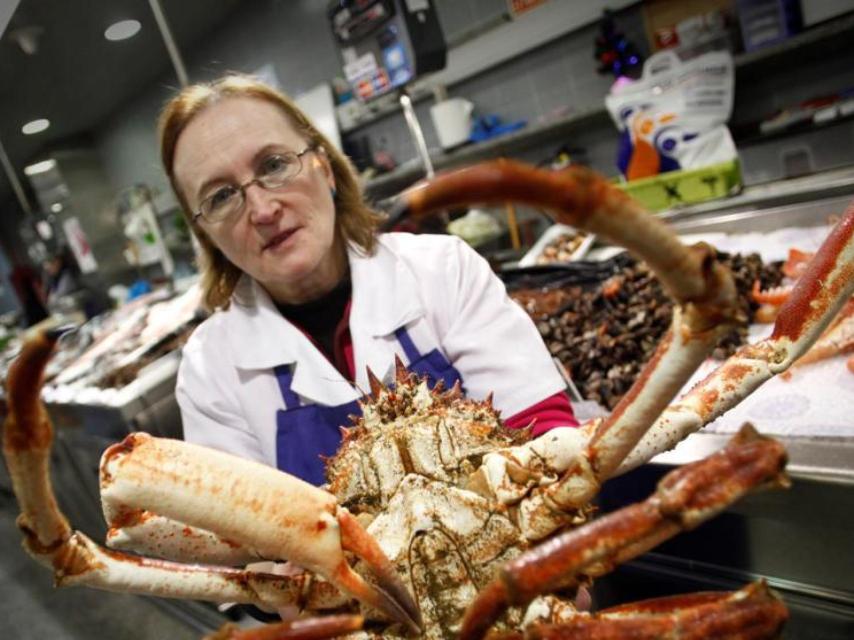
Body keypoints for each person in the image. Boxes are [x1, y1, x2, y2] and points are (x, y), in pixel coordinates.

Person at [160, 75, 578, 486]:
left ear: (323, 167)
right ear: (205, 235)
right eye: (220, 196)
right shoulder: (211, 369)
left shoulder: (442, 270)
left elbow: (544, 440)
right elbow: (247, 538)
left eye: (274, 165)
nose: (263, 209)